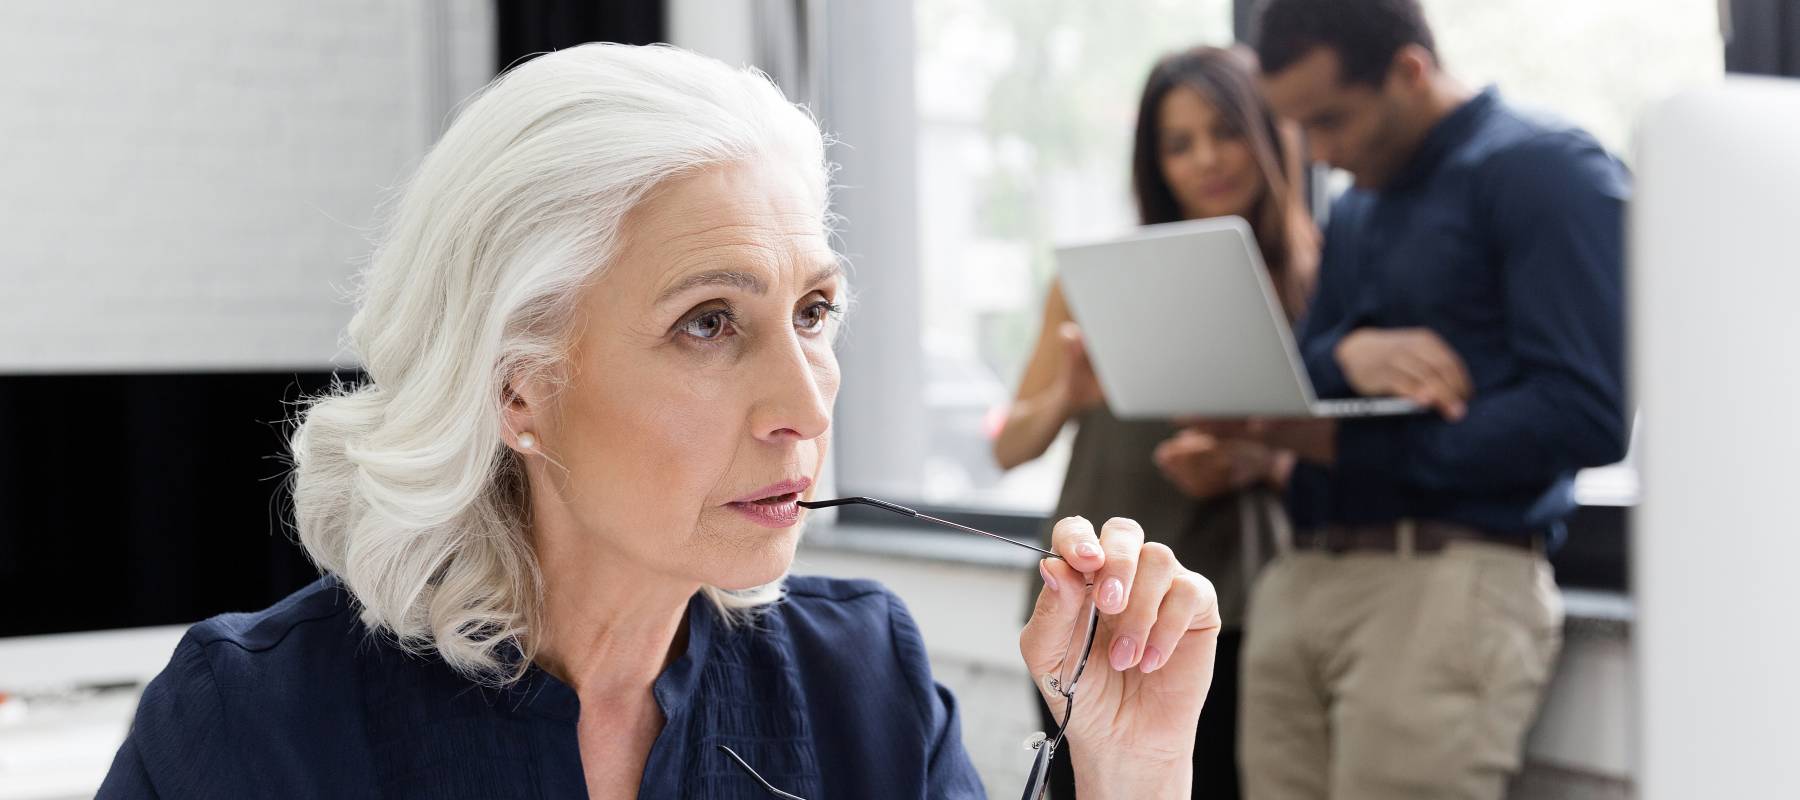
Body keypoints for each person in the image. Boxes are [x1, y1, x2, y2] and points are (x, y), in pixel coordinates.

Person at [96, 44, 1224, 800]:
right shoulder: (249, 727)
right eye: (707, 323)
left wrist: (1129, 770)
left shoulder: (862, 681)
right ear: (514, 384)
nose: (805, 401)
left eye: (814, 310)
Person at [1205, 1, 1631, 798]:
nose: (1321, 157)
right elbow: (1302, 371)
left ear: (1409, 71)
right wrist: (1349, 355)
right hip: (1305, 579)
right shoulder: (1361, 203)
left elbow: (1588, 414)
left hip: (1445, 584)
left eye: (1331, 122)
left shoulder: (1548, 172)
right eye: (1301, 129)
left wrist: (1345, 446)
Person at [992, 46, 1317, 799]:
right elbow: (1011, 444)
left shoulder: (1311, 281)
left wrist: (1258, 465)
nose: (1206, 158)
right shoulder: (1098, 282)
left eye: (1225, 131)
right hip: (1093, 595)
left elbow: (1343, 449)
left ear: (1268, 135)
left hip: (1234, 602)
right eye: (1179, 143)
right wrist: (1069, 392)